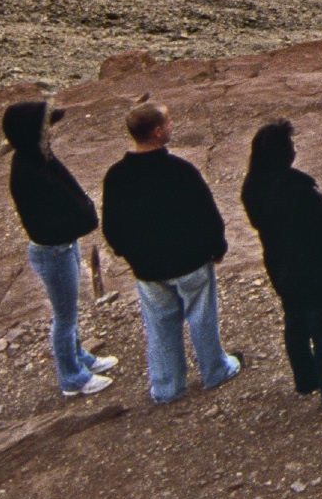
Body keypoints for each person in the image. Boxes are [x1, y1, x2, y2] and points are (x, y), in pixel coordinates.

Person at [99, 101, 245, 399]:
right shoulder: (180, 170)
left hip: (148, 269)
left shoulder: (116, 176)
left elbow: (111, 227)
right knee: (201, 317)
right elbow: (207, 215)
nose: (172, 125)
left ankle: (167, 388)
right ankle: (215, 370)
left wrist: (130, 255)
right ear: (156, 132)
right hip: (190, 263)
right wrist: (217, 249)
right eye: (168, 122)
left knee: (160, 325)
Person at [239, 119, 322, 409]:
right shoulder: (300, 190)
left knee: (295, 323)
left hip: (281, 266)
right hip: (316, 269)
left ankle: (306, 378)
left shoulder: (252, 188)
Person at [3, 93, 116, 397]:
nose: (51, 132)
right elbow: (45, 220)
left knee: (68, 311)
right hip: (54, 250)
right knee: (64, 318)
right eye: (45, 127)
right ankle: (72, 377)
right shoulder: (29, 171)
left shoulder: (37, 159)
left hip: (61, 247)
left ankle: (79, 358)